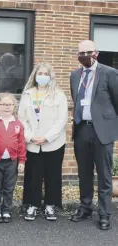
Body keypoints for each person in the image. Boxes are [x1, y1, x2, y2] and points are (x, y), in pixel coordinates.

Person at [70, 40, 118, 230]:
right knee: (84, 173)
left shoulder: (110, 73)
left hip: (102, 131)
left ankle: (105, 214)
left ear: (96, 53)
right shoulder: (74, 75)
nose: (85, 55)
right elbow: (77, 99)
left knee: (104, 175)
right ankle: (85, 207)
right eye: (81, 52)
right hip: (82, 128)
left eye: (89, 52)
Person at [18, 62, 68, 222]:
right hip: (32, 142)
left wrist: (46, 137)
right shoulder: (27, 94)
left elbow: (61, 120)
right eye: (40, 73)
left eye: (46, 74)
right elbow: (22, 119)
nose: (43, 76)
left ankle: (50, 205)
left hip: (54, 143)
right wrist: (30, 136)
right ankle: (32, 205)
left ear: (50, 76)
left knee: (52, 175)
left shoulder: (59, 95)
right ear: (35, 75)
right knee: (33, 175)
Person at [0, 93, 26, 223]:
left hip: (12, 161)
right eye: (3, 104)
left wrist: (22, 160)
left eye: (9, 104)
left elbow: (21, 143)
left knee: (9, 187)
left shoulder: (17, 123)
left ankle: (6, 209)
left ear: (14, 106)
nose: (6, 107)